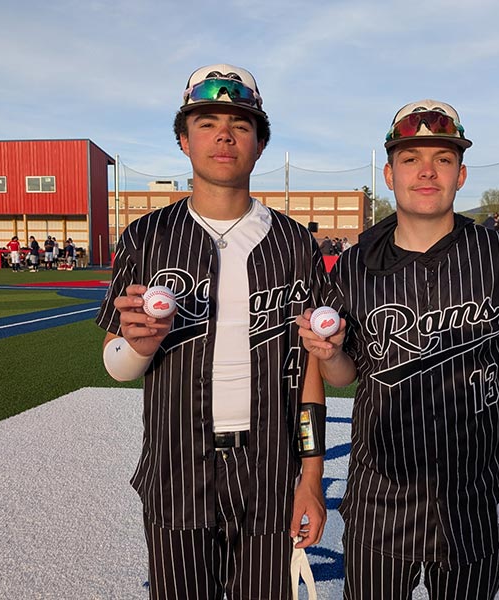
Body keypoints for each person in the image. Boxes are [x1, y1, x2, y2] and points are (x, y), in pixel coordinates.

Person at [298, 99, 499, 599]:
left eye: (442, 159)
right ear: (388, 172)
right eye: (410, 158)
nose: (426, 171)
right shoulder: (355, 265)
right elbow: (342, 374)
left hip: (473, 502)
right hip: (379, 502)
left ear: (461, 174)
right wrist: (330, 354)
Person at [95, 63, 327, 600]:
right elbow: (114, 359)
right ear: (183, 139)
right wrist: (138, 346)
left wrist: (311, 477)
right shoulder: (146, 236)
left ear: (260, 143)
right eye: (206, 122)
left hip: (269, 468)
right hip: (177, 466)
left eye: (241, 124)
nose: (224, 134)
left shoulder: (293, 243)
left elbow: (313, 371)